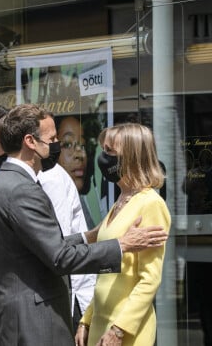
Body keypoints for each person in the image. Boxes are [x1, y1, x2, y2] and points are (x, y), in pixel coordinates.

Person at [0, 104, 168, 346]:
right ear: (30, 142)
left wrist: (88, 237)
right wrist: (120, 245)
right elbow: (59, 256)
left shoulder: (2, 183)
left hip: (113, 328)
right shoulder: (21, 189)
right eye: (52, 139)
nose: (55, 145)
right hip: (31, 325)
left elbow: (149, 279)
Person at [75, 123, 171, 346]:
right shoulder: (121, 201)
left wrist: (119, 330)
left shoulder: (150, 204)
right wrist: (86, 320)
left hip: (125, 331)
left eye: (110, 151)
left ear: (132, 156)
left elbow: (149, 279)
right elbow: (106, 274)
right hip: (102, 323)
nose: (103, 157)